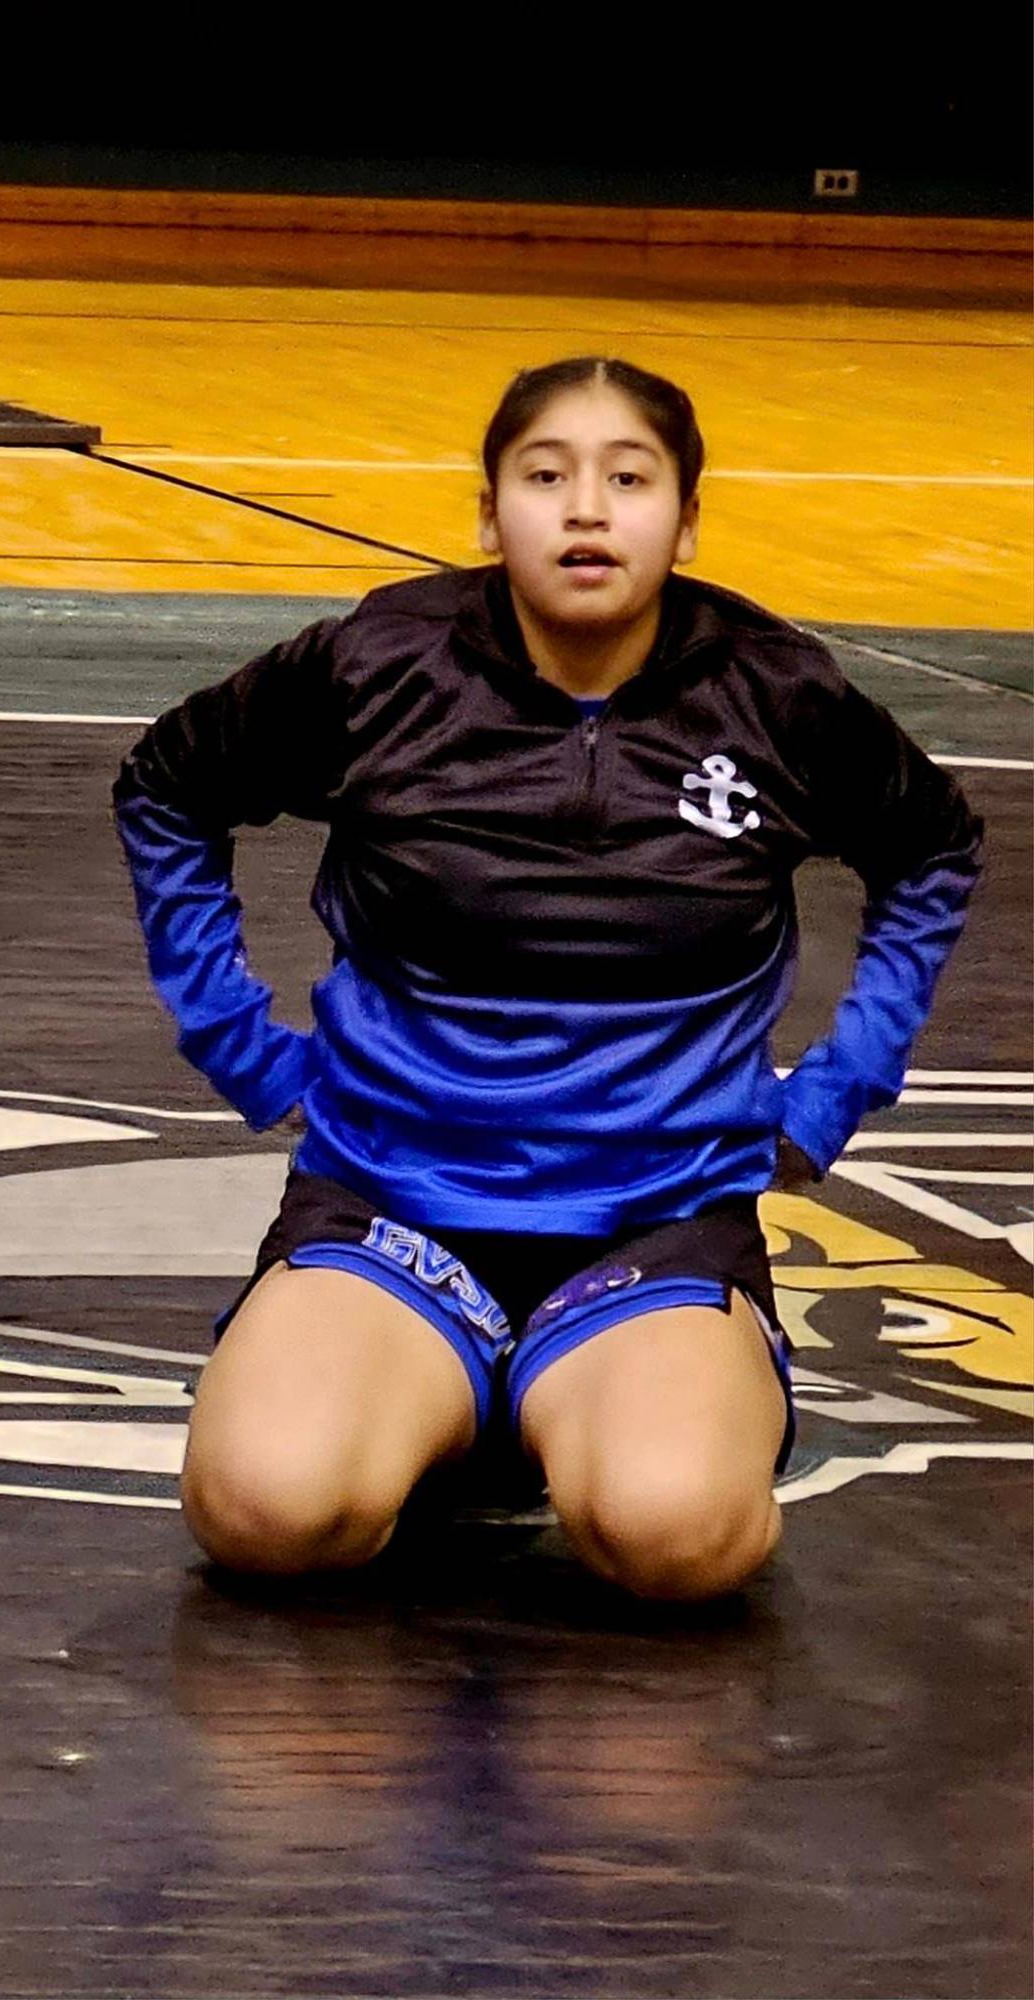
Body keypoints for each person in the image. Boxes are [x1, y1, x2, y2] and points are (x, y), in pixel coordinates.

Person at [114, 356, 982, 1601]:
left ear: (684, 522)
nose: (585, 509)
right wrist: (240, 1049)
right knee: (265, 1512)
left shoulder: (774, 693)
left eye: (627, 480)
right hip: (390, 1210)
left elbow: (931, 848)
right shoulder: (377, 664)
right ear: (487, 515)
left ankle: (614, 1404)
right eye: (543, 476)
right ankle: (437, 1404)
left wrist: (834, 1091)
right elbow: (167, 787)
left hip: (654, 1223)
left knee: (673, 1537)